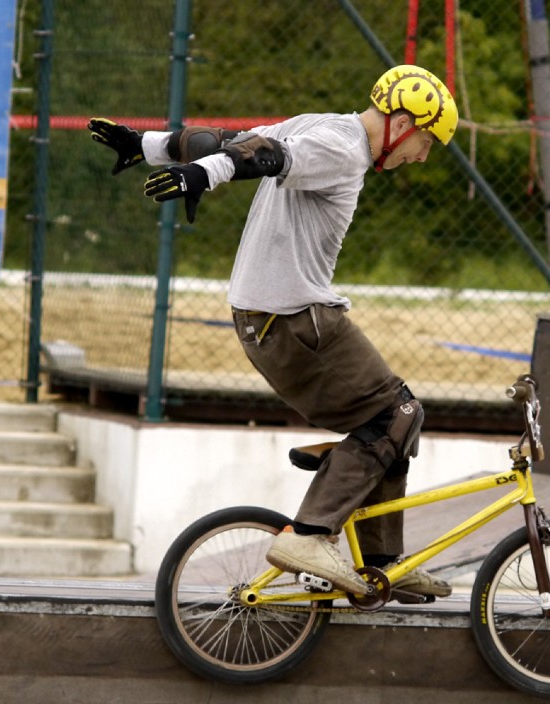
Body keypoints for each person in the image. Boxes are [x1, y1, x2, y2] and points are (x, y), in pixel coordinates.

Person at [89, 64, 458, 597]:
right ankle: (310, 534)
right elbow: (263, 157)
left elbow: (230, 141)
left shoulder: (320, 124)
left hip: (265, 320)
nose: (421, 155)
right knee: (398, 412)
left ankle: (383, 566)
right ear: (402, 123)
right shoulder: (344, 150)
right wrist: (203, 175)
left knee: (390, 426)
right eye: (425, 141)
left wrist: (147, 145)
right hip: (294, 319)